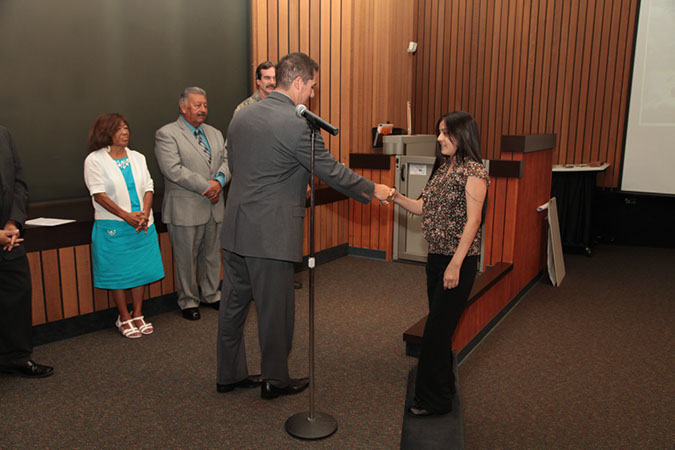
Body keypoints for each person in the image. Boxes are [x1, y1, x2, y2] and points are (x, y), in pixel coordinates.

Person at [217, 52, 392, 399]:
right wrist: (374, 189)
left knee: (233, 306)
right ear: (298, 82)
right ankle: (275, 380)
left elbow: (240, 166)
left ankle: (228, 375)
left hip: (235, 226)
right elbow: (331, 171)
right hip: (271, 234)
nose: (311, 95)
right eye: (312, 87)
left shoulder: (241, 117)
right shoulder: (298, 125)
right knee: (275, 311)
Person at [389, 111, 489, 416]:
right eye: (439, 132)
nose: (440, 138)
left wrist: (455, 265)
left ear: (463, 135)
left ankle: (434, 401)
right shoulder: (444, 169)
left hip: (457, 261)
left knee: (434, 333)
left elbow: (474, 222)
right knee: (440, 329)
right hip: (436, 258)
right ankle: (445, 389)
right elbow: (421, 207)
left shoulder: (473, 172)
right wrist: (394, 195)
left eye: (446, 133)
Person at [84, 113, 164, 339]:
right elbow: (99, 195)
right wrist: (126, 216)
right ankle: (123, 316)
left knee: (140, 270)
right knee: (118, 272)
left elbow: (149, 187)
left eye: (126, 127)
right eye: (119, 128)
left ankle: (138, 313)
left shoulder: (138, 157)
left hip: (141, 223)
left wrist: (144, 214)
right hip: (114, 226)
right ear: (105, 132)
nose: (125, 132)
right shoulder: (95, 160)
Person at [155, 87, 230, 321]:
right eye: (197, 105)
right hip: (185, 208)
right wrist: (207, 187)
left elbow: (228, 160)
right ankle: (188, 300)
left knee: (211, 255)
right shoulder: (167, 134)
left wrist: (219, 181)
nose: (203, 110)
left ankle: (211, 293)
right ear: (183, 106)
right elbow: (173, 170)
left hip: (214, 205)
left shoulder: (216, 133)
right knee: (186, 258)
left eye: (205, 105)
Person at [0, 126, 54, 377]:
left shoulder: (3, 133)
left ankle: (17, 357)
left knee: (16, 296)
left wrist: (14, 222)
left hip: (9, 236)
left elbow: (18, 182)